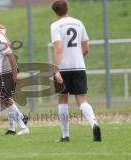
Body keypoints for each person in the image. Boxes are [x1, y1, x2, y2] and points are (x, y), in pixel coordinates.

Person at [51, 0, 101, 142]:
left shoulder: (55, 25)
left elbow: (58, 48)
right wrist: (78, 57)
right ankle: (94, 124)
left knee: (62, 99)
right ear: (67, 8)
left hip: (63, 68)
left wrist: (56, 69)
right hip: (79, 66)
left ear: (54, 12)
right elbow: (86, 48)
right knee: (81, 100)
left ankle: (65, 135)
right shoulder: (79, 23)